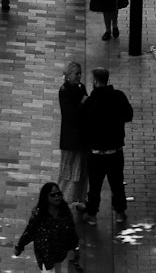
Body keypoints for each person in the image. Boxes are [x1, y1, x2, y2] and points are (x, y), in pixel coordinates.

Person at [78, 67, 134, 226]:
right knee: (117, 183)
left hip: (96, 153)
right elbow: (129, 115)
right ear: (107, 79)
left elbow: (83, 124)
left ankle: (92, 214)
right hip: (115, 150)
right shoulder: (119, 96)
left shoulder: (90, 101)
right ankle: (120, 213)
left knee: (95, 185)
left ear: (95, 81)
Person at [14, 182, 81, 272]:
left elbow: (71, 230)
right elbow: (29, 231)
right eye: (53, 195)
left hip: (60, 252)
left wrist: (75, 247)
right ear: (45, 197)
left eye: (58, 193)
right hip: (45, 254)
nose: (57, 197)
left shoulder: (64, 211)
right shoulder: (39, 214)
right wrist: (20, 247)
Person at [58, 62, 89, 213]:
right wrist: (82, 104)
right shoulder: (64, 91)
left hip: (82, 138)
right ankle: (63, 200)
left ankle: (79, 199)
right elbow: (70, 116)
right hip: (71, 140)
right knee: (69, 171)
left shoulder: (81, 87)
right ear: (68, 75)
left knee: (82, 171)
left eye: (80, 73)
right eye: (76, 73)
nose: (79, 76)